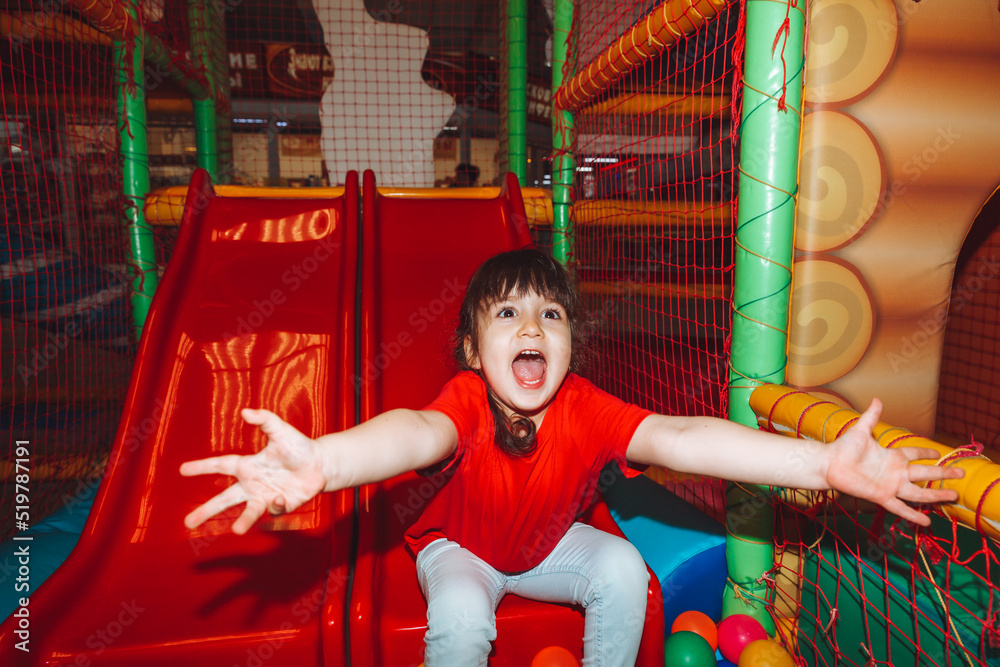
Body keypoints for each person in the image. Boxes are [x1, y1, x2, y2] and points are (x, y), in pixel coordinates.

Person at [181, 248, 963, 666]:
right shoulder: (463, 400)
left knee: (624, 568)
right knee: (458, 610)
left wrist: (820, 464)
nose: (532, 325)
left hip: (547, 543)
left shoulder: (584, 406)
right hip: (463, 551)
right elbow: (413, 432)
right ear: (471, 349)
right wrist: (328, 459)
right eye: (509, 313)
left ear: (569, 342)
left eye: (550, 313)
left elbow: (683, 437)